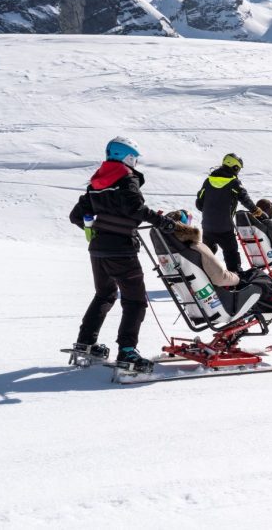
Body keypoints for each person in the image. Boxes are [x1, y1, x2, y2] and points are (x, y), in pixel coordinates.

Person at [68, 136, 176, 372]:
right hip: (121, 249)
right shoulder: (127, 177)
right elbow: (135, 209)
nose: (135, 162)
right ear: (127, 157)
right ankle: (127, 351)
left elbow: (76, 216)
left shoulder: (96, 182)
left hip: (97, 249)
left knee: (104, 294)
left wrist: (99, 226)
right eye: (134, 158)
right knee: (135, 301)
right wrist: (162, 222)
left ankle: (86, 342)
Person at [165, 209, 272, 323]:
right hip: (222, 305)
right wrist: (238, 278)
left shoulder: (175, 255)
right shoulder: (196, 248)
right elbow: (220, 277)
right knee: (261, 282)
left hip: (200, 306)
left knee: (256, 280)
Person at [196, 153, 263, 274]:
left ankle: (202, 275)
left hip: (207, 226)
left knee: (207, 253)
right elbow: (245, 199)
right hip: (224, 227)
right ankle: (235, 274)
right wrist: (255, 210)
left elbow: (199, 204)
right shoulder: (234, 183)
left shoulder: (208, 181)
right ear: (235, 167)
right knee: (231, 252)